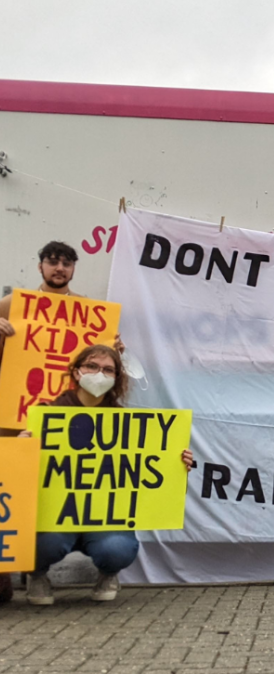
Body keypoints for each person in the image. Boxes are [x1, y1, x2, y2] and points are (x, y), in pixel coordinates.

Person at [18, 344, 193, 606]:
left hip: (105, 517)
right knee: (43, 544)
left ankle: (108, 574)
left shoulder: (126, 423)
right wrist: (22, 450)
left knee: (116, 549)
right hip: (55, 515)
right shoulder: (46, 415)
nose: (99, 373)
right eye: (91, 366)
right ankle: (37, 575)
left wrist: (175, 463)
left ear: (116, 377)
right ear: (76, 372)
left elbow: (141, 470)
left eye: (108, 369)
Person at [0, 242, 121, 603]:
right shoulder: (11, 306)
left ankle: (41, 569)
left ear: (73, 269)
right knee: (14, 496)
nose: (60, 268)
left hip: (66, 420)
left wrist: (116, 351)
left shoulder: (89, 314)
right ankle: (12, 575)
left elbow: (102, 366)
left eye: (67, 263)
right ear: (40, 267)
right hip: (13, 420)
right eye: (53, 262)